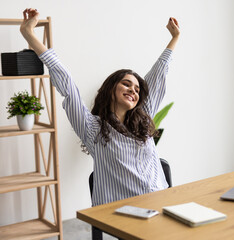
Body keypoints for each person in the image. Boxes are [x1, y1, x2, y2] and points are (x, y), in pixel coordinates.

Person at [20, 8, 180, 206]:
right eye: (126, 84)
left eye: (137, 89)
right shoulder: (92, 128)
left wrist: (174, 38)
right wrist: (29, 34)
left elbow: (159, 75)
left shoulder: (143, 119)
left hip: (160, 204)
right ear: (111, 88)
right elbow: (67, 85)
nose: (133, 90)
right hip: (123, 214)